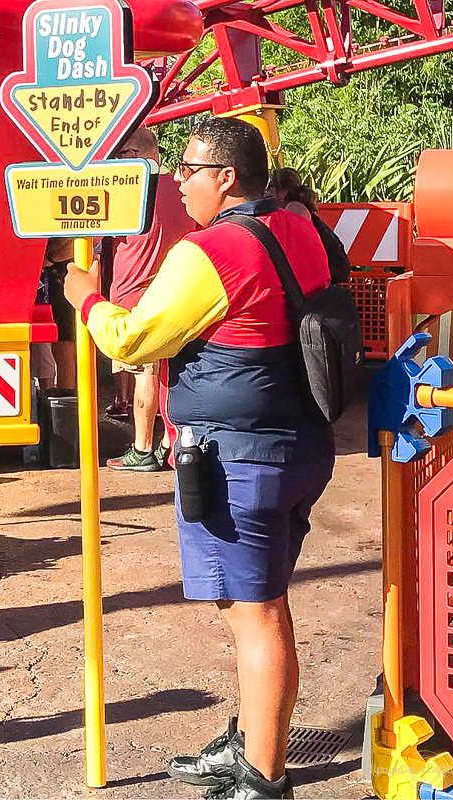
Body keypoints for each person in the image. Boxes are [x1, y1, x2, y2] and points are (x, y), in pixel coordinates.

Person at [64, 117, 335, 800]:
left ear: (226, 177)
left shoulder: (207, 251)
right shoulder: (300, 227)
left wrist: (86, 298)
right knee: (260, 605)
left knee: (257, 614)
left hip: (239, 457)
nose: (177, 180)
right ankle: (250, 744)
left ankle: (264, 779)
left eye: (188, 168)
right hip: (300, 443)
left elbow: (133, 341)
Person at [105, 127, 194, 471]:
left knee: (145, 372)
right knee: (169, 373)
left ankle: (142, 448)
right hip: (179, 289)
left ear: (131, 156)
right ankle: (169, 442)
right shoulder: (181, 188)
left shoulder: (128, 189)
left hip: (133, 290)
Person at [267, 167, 352, 284]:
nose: (266, 191)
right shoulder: (296, 207)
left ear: (283, 192)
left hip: (329, 272)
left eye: (270, 186)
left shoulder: (294, 210)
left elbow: (294, 249)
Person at [43, 237, 77, 389]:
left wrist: (49, 256)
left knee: (64, 337)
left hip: (64, 272)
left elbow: (72, 235)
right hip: (66, 271)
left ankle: (67, 391)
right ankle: (68, 390)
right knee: (65, 337)